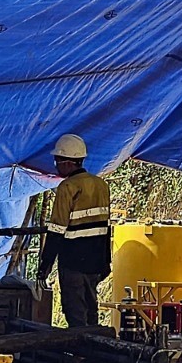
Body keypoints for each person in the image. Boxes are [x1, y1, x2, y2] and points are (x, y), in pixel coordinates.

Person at [36, 134, 111, 328]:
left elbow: (56, 230)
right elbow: (105, 228)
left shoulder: (67, 187)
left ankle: (80, 347)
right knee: (91, 309)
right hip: (95, 260)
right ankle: (95, 344)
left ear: (68, 162)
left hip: (73, 262)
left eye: (57, 161)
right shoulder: (101, 185)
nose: (56, 166)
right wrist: (106, 261)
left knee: (75, 313)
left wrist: (45, 266)